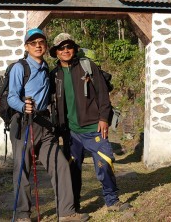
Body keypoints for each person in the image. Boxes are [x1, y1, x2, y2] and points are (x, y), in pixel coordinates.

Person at [7, 28, 89, 222]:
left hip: (44, 124)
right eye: (33, 43)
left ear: (45, 45)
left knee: (60, 164)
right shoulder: (20, 68)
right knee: (22, 169)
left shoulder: (46, 68)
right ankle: (22, 215)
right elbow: (11, 96)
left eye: (41, 42)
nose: (38, 46)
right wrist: (23, 105)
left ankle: (67, 213)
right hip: (24, 123)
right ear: (26, 46)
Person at [49, 33, 130, 213]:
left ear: (74, 49)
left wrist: (103, 119)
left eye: (69, 46)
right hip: (70, 132)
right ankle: (74, 206)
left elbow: (103, 94)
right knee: (72, 170)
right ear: (55, 52)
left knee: (105, 163)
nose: (65, 50)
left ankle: (112, 201)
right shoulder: (54, 75)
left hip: (94, 127)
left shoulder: (87, 66)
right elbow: (50, 103)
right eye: (61, 48)